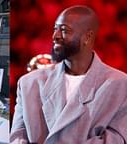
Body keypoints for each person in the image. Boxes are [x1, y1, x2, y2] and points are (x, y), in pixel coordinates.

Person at [10, 5, 127, 144]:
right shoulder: (28, 83)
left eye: (64, 30)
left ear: (87, 37)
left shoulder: (120, 85)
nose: (55, 36)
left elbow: (116, 139)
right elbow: (17, 136)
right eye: (55, 29)